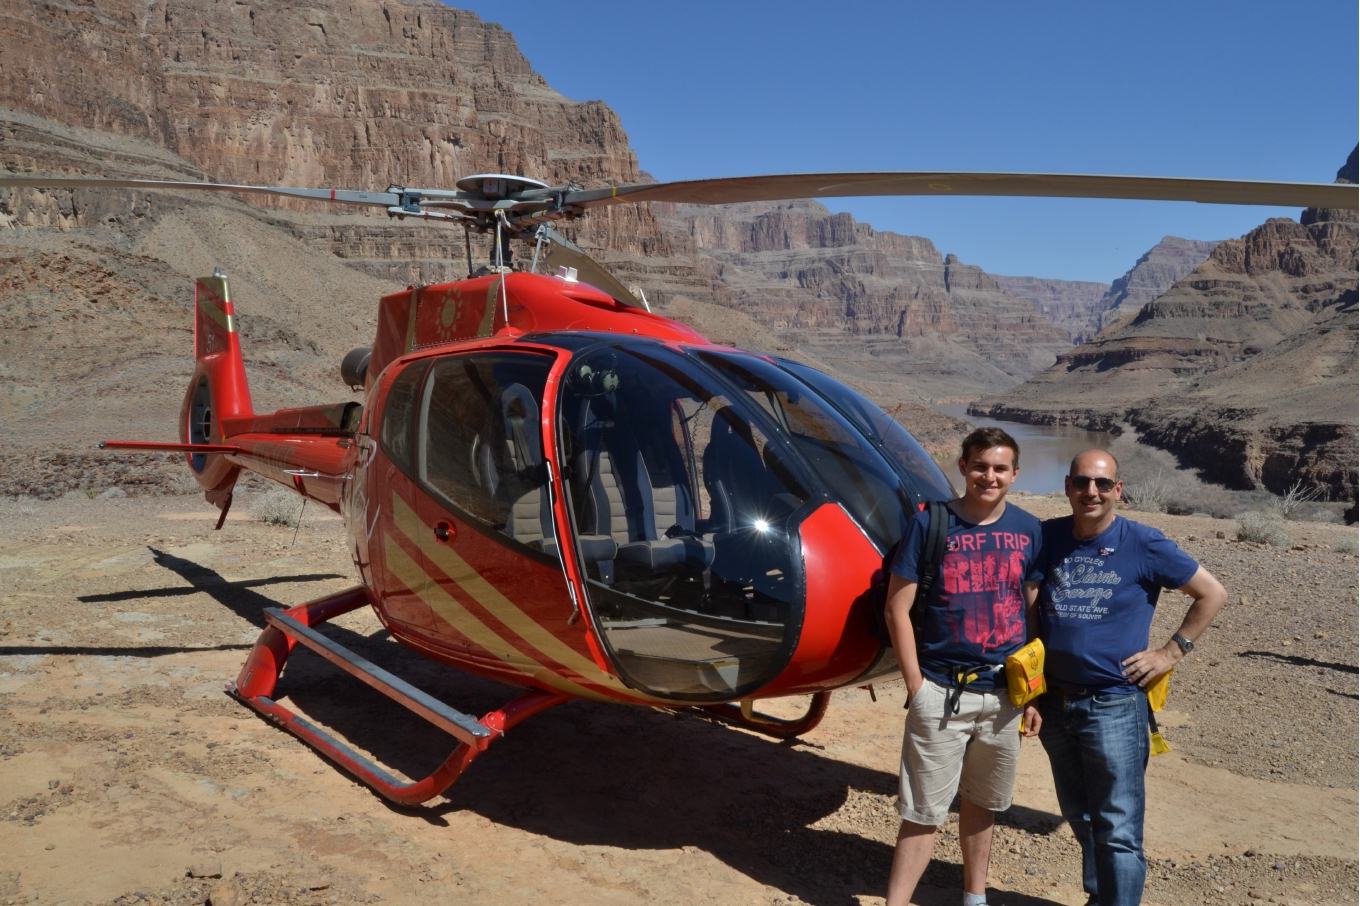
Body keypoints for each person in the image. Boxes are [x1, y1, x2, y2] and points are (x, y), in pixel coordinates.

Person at [1036, 449, 1227, 906]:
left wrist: (1170, 651)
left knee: (1118, 827)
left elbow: (1212, 593)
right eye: (1082, 482)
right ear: (1067, 487)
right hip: (1055, 703)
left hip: (1114, 705)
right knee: (1080, 815)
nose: (1091, 492)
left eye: (1103, 484)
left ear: (1118, 490)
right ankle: (1102, 898)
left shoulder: (1144, 543)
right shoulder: (1046, 537)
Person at [884, 427, 1044, 906]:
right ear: (963, 467)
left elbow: (1031, 613)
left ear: (1015, 475)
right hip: (940, 690)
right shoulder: (931, 524)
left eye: (999, 469)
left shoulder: (1028, 529)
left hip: (1003, 695)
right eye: (980, 466)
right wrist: (916, 686)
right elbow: (897, 608)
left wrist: (1034, 692)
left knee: (984, 804)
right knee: (923, 811)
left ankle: (975, 898)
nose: (988, 477)